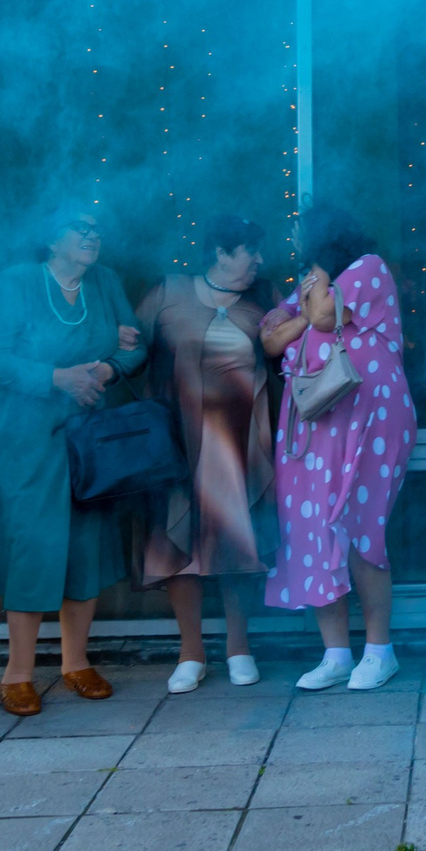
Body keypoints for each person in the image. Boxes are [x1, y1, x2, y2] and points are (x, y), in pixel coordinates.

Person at [0, 202, 150, 718]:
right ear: (51, 239)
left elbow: (135, 347)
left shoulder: (105, 281)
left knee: (86, 543)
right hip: (24, 433)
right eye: (79, 228)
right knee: (34, 542)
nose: (91, 236)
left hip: (87, 434)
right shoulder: (17, 282)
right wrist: (57, 378)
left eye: (97, 229)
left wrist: (104, 369)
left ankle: (76, 664)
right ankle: (18, 672)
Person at [262, 202, 416, 692]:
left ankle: (379, 650)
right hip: (314, 421)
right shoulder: (311, 281)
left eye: (302, 235)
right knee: (311, 529)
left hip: (368, 414)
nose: (296, 243)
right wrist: (305, 313)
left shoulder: (366, 267)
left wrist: (312, 301)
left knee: (359, 526)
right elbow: (269, 338)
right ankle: (335, 654)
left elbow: (325, 317)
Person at [138, 214, 277, 693]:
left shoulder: (263, 300)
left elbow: (288, 352)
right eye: (249, 251)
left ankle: (239, 648)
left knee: (238, 543)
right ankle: (190, 653)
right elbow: (132, 351)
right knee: (181, 545)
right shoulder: (168, 292)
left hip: (239, 445)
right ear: (220, 251)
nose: (259, 261)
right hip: (180, 443)